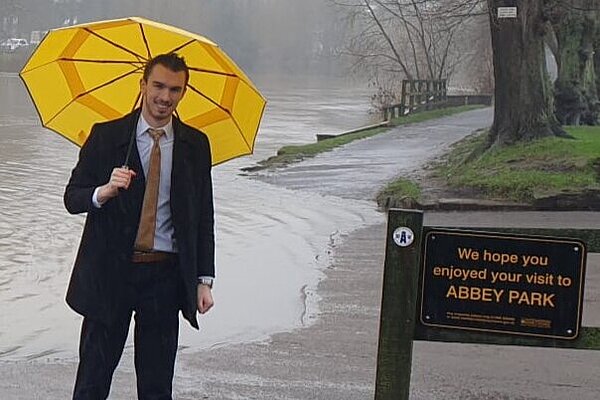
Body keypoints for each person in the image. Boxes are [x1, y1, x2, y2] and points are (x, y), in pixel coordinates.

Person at [63, 53, 215, 399]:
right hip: (110, 275)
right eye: (158, 86)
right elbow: (72, 198)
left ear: (183, 92)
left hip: (164, 277)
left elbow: (203, 215)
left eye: (174, 89)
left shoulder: (195, 145)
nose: (165, 97)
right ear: (143, 85)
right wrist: (104, 190)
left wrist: (203, 280)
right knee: (92, 381)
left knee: (157, 386)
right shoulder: (106, 137)